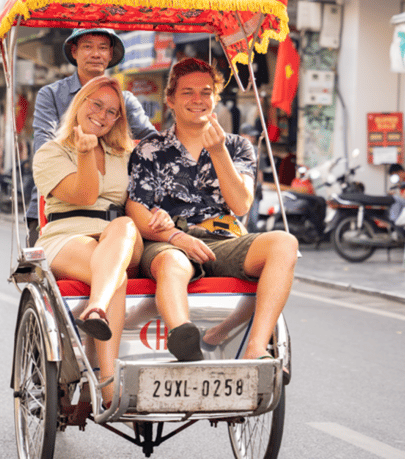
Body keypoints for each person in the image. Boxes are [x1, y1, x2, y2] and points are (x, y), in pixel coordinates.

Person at [126, 58, 299, 363]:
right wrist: (177, 238)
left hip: (223, 236)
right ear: (171, 99)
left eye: (206, 92)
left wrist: (218, 152)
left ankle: (256, 348)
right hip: (167, 239)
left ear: (216, 98)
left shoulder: (237, 147)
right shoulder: (150, 149)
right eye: (187, 92)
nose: (197, 100)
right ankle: (185, 338)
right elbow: (136, 208)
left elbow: (242, 204)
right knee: (171, 264)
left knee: (285, 244)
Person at [32, 75, 173, 405]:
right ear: (80, 104)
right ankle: (109, 383)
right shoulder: (51, 152)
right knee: (115, 274)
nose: (103, 115)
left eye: (112, 112)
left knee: (123, 227)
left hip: (121, 235)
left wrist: (160, 214)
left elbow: (146, 200)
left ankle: (96, 308)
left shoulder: (125, 154)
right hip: (67, 235)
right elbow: (84, 194)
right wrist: (84, 153)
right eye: (96, 104)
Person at [26, 28, 158, 246]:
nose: (96, 54)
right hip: (60, 204)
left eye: (103, 48)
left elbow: (153, 145)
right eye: (88, 47)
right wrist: (83, 155)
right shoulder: (51, 94)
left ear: (109, 55)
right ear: (75, 52)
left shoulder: (125, 101)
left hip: (114, 215)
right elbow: (44, 144)